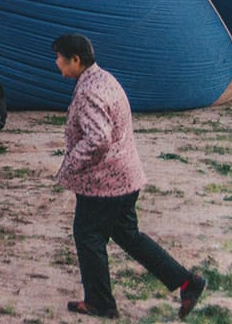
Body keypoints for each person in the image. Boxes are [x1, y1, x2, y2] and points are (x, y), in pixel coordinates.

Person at [53, 33, 207, 319]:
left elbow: (98, 139)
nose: (56, 62)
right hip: (126, 176)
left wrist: (69, 165)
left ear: (76, 59)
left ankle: (100, 303)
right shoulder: (105, 79)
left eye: (59, 57)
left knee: (88, 237)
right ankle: (187, 282)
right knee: (127, 234)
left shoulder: (88, 91)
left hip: (104, 183)